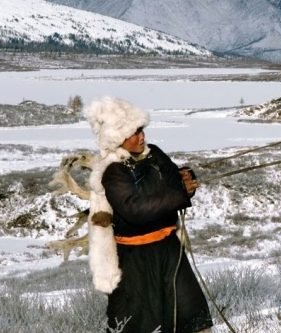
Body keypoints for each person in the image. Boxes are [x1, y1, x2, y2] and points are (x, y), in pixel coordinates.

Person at [84, 96, 213, 333]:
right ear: (117, 137)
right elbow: (136, 210)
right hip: (136, 262)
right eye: (134, 132)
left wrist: (185, 179)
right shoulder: (113, 173)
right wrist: (179, 193)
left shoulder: (155, 154)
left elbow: (172, 182)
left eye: (141, 130)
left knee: (190, 319)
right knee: (142, 325)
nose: (141, 136)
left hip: (169, 251)